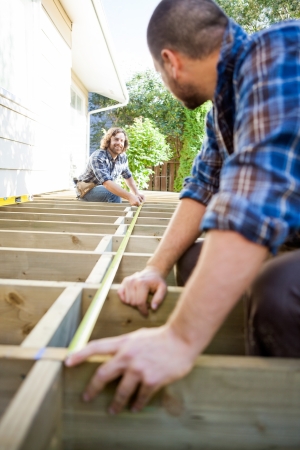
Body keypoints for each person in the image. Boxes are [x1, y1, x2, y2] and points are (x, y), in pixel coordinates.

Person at [66, 0, 300, 414]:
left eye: (159, 73)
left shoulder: (276, 54)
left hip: (285, 246)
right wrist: (154, 267)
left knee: (279, 291)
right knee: (192, 261)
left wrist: (180, 337)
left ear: (170, 62)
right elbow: (201, 189)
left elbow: (255, 199)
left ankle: (273, 414)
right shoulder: (222, 110)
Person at [75, 127, 145, 206]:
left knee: (114, 192)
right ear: (108, 141)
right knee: (114, 194)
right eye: (116, 139)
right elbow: (107, 183)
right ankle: (117, 217)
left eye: (122, 141)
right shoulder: (98, 156)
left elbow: (128, 176)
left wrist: (136, 193)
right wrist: (130, 197)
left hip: (104, 189)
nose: (119, 143)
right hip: (87, 190)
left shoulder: (122, 157)